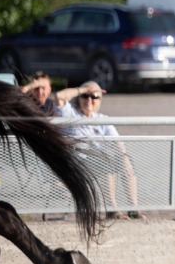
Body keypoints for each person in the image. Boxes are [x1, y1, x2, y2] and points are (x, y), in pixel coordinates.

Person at [56, 82, 145, 220]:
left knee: (126, 160)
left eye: (94, 96)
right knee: (104, 163)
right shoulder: (71, 114)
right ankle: (112, 210)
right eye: (85, 96)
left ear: (99, 100)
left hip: (99, 159)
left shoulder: (102, 119)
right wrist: (85, 89)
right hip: (77, 162)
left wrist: (123, 156)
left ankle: (134, 208)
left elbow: (116, 142)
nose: (89, 100)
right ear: (79, 98)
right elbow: (59, 96)